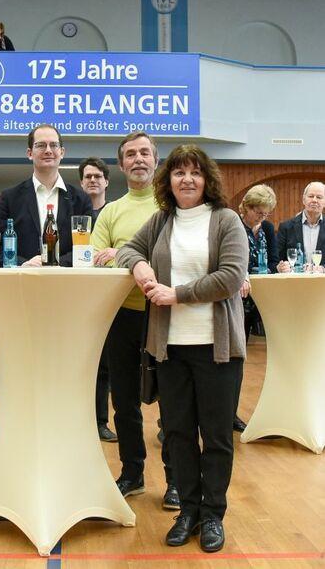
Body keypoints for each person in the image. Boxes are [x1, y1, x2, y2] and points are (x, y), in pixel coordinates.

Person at [116, 144, 248, 553]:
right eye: (178, 173)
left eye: (195, 172)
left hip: (217, 350)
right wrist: (139, 264)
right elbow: (128, 249)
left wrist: (177, 294)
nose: (187, 179)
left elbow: (230, 277)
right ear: (168, 180)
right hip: (170, 349)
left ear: (207, 179)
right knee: (177, 434)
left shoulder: (226, 220)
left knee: (216, 436)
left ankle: (213, 515)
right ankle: (188, 511)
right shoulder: (161, 220)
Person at [91, 132, 175, 508]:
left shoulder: (173, 207)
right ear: (121, 164)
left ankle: (177, 479)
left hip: (167, 316)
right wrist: (121, 258)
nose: (138, 159)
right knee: (124, 401)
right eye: (130, 154)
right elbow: (95, 259)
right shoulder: (111, 212)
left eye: (144, 153)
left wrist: (121, 254)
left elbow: (177, 257)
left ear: (156, 160)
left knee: (172, 403)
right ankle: (132, 473)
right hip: (122, 316)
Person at [0, 123, 92, 267]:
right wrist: (24, 263)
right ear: (29, 153)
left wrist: (53, 263)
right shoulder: (9, 199)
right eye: (41, 145)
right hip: (24, 277)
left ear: (62, 152)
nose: (48, 150)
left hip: (67, 278)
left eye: (54, 145)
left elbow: (88, 246)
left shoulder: (81, 200)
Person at [234, 184, 279, 432]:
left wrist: (277, 267)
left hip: (261, 298)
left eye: (266, 213)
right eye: (258, 212)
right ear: (247, 207)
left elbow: (272, 260)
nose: (262, 217)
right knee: (236, 360)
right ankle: (229, 413)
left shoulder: (268, 229)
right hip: (238, 300)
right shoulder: (235, 225)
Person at [78, 156, 116, 442]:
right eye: (88, 176)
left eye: (97, 176)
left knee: (103, 365)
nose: (92, 180)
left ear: (106, 181)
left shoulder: (113, 213)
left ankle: (100, 421)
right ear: (81, 183)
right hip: (75, 296)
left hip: (106, 299)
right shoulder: (72, 212)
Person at [277, 181, 325, 273]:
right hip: (294, 280)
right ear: (303, 199)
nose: (314, 200)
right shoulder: (286, 227)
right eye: (311, 196)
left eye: (319, 197)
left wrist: (323, 269)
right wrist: (280, 267)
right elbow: (276, 260)